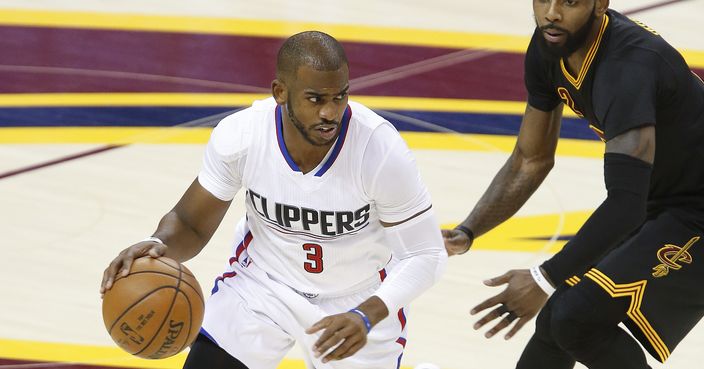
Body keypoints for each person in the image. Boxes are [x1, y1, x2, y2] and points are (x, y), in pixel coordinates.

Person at [100, 31, 447, 369]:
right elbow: (190, 223)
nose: (330, 113)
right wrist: (155, 243)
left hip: (357, 300)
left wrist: (369, 313)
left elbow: (426, 253)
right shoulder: (242, 136)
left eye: (339, 97)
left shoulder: (379, 149)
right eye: (316, 99)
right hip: (264, 287)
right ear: (280, 92)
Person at [443, 0, 704, 368]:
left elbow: (625, 205)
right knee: (558, 320)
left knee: (576, 319)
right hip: (660, 199)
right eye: (542, 0)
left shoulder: (629, 66)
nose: (551, 13)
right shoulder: (549, 45)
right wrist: (468, 231)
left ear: (600, 4)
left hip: (693, 208)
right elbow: (530, 160)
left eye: (569, 1)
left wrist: (543, 279)